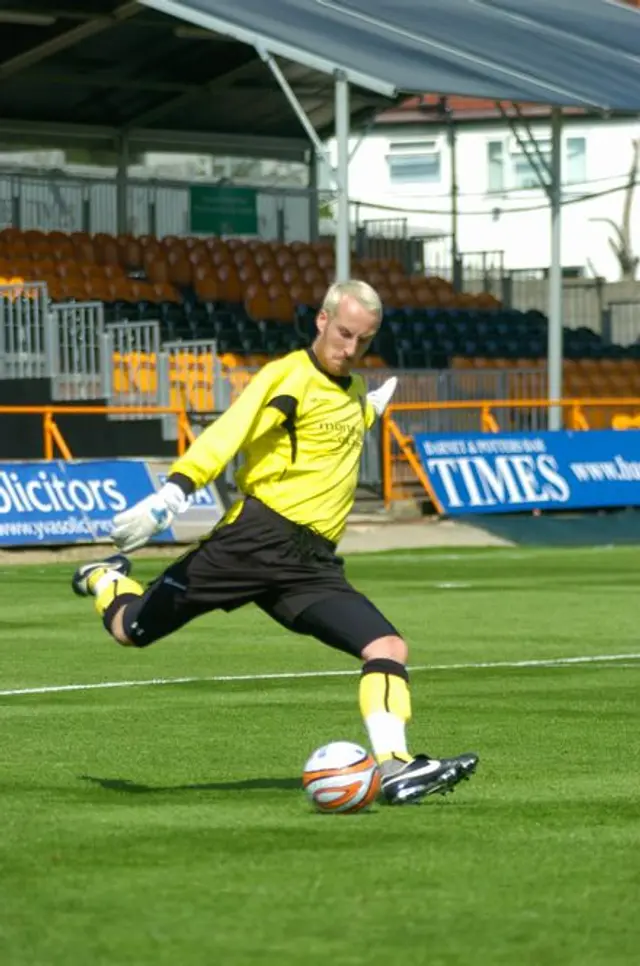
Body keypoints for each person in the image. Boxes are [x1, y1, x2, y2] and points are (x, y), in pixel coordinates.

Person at [72, 279, 478, 805]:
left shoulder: (352, 391)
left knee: (387, 647)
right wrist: (175, 492)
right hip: (255, 542)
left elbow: (332, 430)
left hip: (311, 564)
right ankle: (107, 579)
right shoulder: (285, 377)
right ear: (322, 321)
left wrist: (368, 411)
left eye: (364, 341)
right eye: (345, 334)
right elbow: (230, 431)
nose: (351, 349)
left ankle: (396, 766)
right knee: (131, 631)